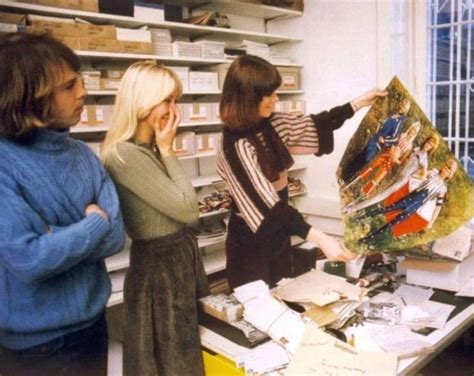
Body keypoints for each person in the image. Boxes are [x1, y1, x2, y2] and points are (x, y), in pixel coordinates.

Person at [0, 33, 125, 376]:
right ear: (29, 97)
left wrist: (55, 236)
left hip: (92, 326)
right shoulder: (4, 163)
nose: (83, 91)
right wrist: (92, 225)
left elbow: (116, 238)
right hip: (36, 348)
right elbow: (28, 257)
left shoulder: (82, 154)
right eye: (69, 86)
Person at [216, 54, 387, 289]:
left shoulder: (270, 124)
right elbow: (270, 208)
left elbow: (318, 124)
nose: (276, 99)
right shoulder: (235, 146)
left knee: (285, 292)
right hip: (250, 242)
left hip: (278, 233)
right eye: (270, 94)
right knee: (258, 305)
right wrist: (323, 239)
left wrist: (357, 104)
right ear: (248, 97)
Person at [101, 61, 210, 376]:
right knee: (170, 359)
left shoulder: (147, 149)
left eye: (176, 100)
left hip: (179, 258)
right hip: (160, 268)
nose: (174, 110)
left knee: (187, 350)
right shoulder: (124, 155)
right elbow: (188, 210)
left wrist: (163, 149)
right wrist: (169, 150)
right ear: (142, 102)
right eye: (167, 100)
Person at [358, 158, 458, 243]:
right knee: (386, 209)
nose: (446, 170)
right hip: (410, 198)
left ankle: (367, 239)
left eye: (449, 170)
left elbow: (438, 206)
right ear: (443, 166)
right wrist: (420, 176)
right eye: (446, 166)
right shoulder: (433, 172)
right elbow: (418, 174)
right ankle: (360, 217)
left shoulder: (443, 188)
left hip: (415, 206)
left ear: (450, 175)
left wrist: (432, 221)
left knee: (393, 223)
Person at [343, 134, 440, 214]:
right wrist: (395, 158)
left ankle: (351, 209)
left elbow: (423, 176)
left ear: (432, 148)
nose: (428, 145)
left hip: (402, 180)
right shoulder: (417, 149)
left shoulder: (424, 159)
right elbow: (403, 162)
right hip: (397, 175)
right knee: (377, 192)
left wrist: (413, 175)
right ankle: (355, 204)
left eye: (431, 145)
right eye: (428, 142)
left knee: (380, 196)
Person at [342, 120, 421, 195]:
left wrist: (395, 159)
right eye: (412, 129)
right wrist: (391, 148)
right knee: (369, 169)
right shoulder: (401, 135)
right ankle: (349, 184)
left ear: (416, 134)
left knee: (376, 180)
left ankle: (359, 195)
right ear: (410, 128)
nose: (412, 132)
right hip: (385, 155)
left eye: (415, 131)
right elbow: (391, 143)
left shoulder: (410, 147)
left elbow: (402, 161)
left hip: (389, 163)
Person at [364, 97, 411, 162]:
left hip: (377, 145)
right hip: (374, 138)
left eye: (404, 108)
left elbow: (395, 138)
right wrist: (378, 128)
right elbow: (383, 122)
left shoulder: (399, 122)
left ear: (406, 111)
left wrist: (384, 141)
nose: (401, 107)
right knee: (361, 156)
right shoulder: (393, 114)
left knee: (365, 159)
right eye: (402, 105)